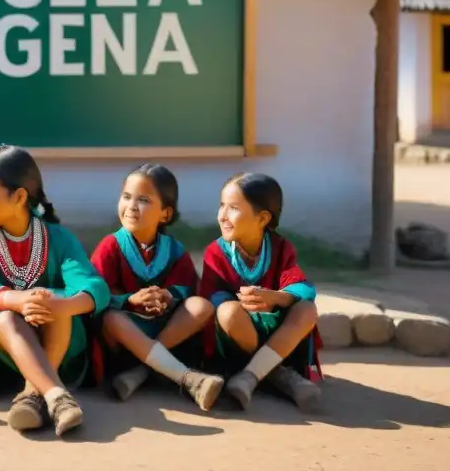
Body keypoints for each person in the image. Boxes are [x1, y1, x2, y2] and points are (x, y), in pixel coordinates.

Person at [0, 144, 110, 437]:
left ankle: (31, 394)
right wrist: (18, 300)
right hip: (4, 350)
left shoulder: (59, 238)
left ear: (20, 196)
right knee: (5, 318)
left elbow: (94, 286)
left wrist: (61, 305)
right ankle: (56, 396)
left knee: (57, 301)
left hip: (57, 339)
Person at [89, 164, 223, 409]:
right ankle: (188, 378)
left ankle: (141, 371)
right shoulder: (110, 246)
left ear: (165, 214)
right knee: (111, 319)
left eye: (143, 200)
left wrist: (167, 295)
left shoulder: (173, 249)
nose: (131, 206)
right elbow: (94, 293)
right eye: (126, 197)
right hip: (126, 334)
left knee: (201, 306)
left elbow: (188, 286)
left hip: (165, 329)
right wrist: (129, 301)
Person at [199, 172, 323, 411]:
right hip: (238, 336)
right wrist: (237, 303)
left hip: (276, 331)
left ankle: (250, 377)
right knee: (227, 312)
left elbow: (302, 286)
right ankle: (277, 374)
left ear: (263, 218)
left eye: (233, 208)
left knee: (306, 309)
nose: (223, 215)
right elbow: (210, 295)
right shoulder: (215, 252)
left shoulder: (280, 247)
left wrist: (278, 297)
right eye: (221, 206)